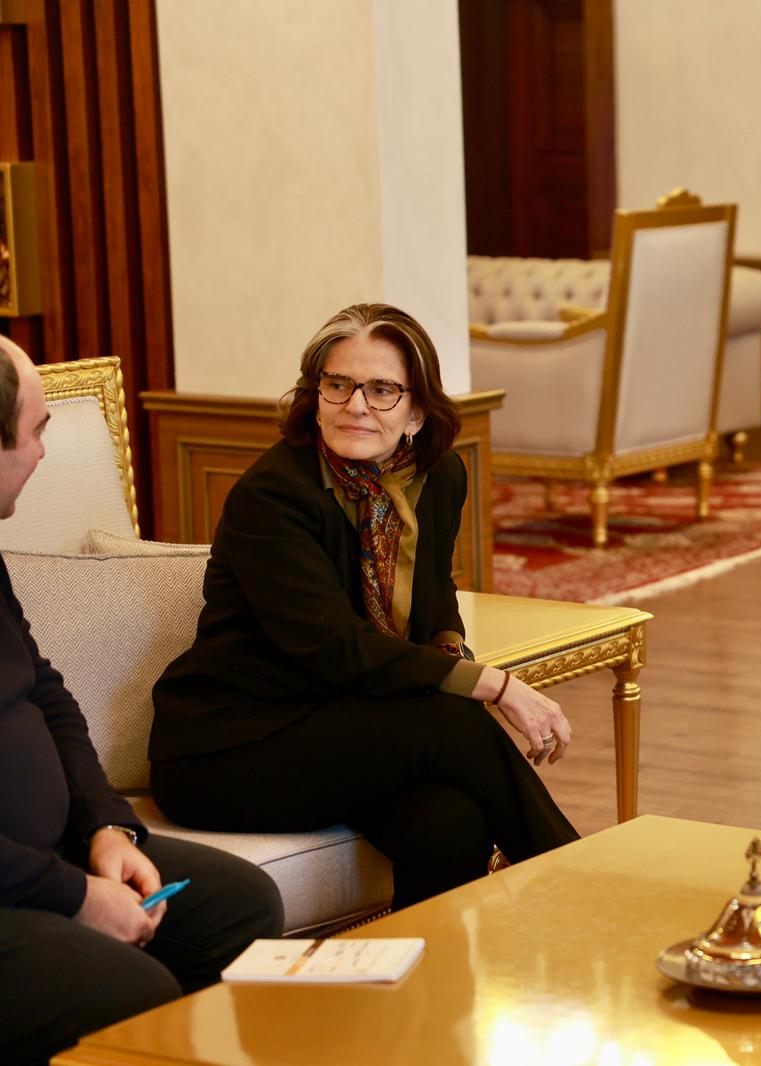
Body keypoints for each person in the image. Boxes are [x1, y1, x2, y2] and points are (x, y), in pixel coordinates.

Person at [149, 304, 578, 909]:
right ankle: (587, 893)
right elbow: (337, 648)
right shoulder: (272, 495)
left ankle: (417, 972)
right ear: (316, 395)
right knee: (452, 721)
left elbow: (435, 596)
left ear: (416, 412)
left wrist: (450, 652)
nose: (356, 405)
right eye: (338, 384)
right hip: (232, 747)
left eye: (382, 390)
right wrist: (496, 686)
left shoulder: (439, 477)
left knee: (450, 825)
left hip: (349, 726)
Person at [0, 336, 283, 1065]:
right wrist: (73, 897)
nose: (42, 454)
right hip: (10, 888)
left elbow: (45, 693)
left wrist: (105, 826)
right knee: (134, 991)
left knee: (241, 906)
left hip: (51, 856)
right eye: (34, 433)